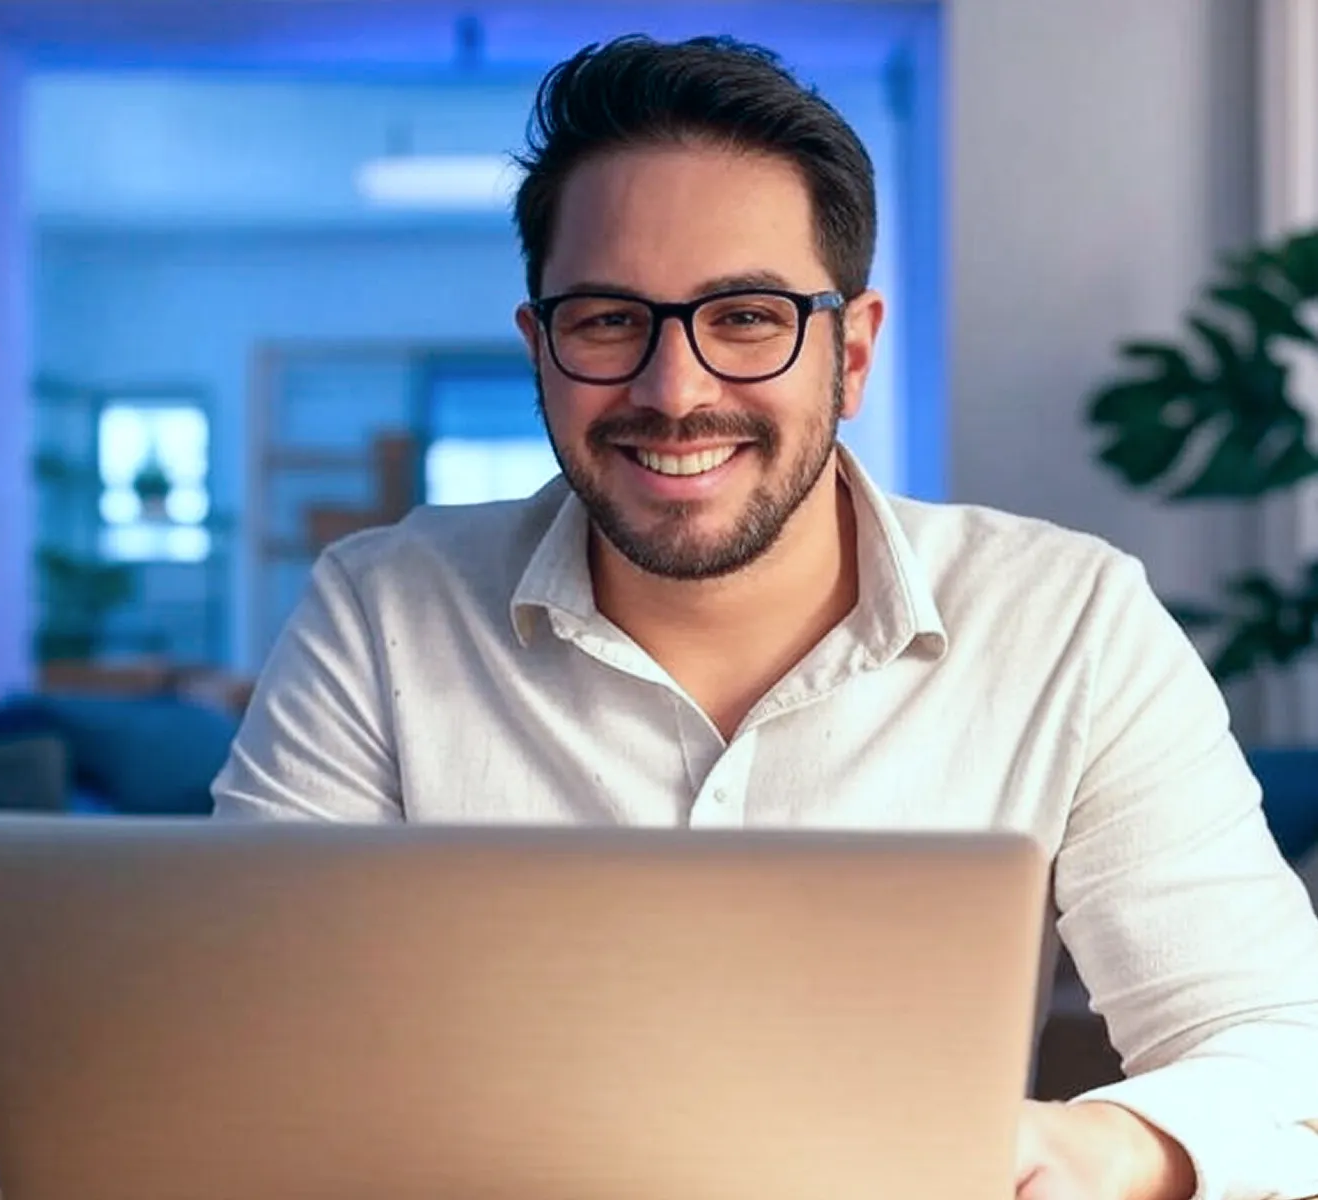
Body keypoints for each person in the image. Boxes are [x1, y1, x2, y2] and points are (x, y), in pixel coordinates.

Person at [212, 34, 1318, 1200]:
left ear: (848, 355)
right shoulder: (378, 609)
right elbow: (235, 1041)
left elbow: (1282, 1056)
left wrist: (1094, 1150)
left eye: (744, 316)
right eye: (605, 320)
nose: (672, 391)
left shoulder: (1069, 622)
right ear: (540, 351)